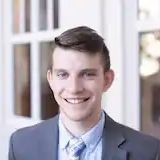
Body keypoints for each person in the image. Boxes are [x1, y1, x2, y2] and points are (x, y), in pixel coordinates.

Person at [9, 26, 160, 160]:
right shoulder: (21, 145)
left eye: (87, 74)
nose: (74, 88)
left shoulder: (148, 152)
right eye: (63, 74)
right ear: (51, 80)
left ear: (107, 80)